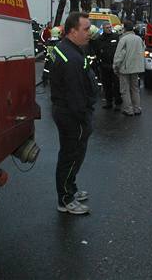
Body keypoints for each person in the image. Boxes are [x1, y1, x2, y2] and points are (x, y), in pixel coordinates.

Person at [50, 11, 98, 215]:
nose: (90, 33)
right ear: (72, 31)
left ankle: (70, 188)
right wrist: (84, 118)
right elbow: (76, 95)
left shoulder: (69, 49)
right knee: (71, 157)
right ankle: (65, 199)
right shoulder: (71, 58)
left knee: (72, 155)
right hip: (73, 117)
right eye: (86, 29)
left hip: (68, 113)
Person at [113, 20, 145, 116]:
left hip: (125, 68)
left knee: (125, 90)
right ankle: (137, 108)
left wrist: (116, 66)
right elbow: (142, 51)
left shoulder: (123, 39)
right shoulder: (138, 39)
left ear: (124, 28)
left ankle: (128, 109)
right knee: (135, 88)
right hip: (136, 67)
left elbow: (120, 55)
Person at [97, 22, 122, 110]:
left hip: (114, 64)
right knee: (106, 85)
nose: (109, 29)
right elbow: (97, 51)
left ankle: (118, 102)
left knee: (116, 84)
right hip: (104, 65)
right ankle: (109, 102)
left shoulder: (115, 37)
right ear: (103, 29)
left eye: (110, 27)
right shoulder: (100, 39)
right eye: (107, 28)